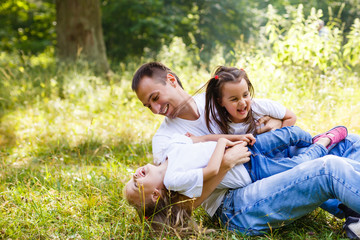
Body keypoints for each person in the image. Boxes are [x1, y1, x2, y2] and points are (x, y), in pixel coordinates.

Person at [131, 62, 360, 237]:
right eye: (148, 105)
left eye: (155, 98)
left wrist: (276, 124)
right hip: (235, 204)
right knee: (327, 168)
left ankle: (355, 216)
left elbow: (261, 117)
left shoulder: (216, 98)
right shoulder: (164, 140)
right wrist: (224, 164)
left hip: (264, 163)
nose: (155, 109)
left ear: (171, 80)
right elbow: (181, 207)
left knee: (349, 142)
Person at [125, 125, 346, 218]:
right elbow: (212, 170)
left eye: (131, 177)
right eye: (136, 184)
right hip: (249, 170)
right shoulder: (173, 180)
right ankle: (323, 144)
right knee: (298, 167)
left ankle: (312, 141)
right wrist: (223, 143)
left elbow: (199, 139)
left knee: (290, 133)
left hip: (244, 147)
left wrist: (233, 138)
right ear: (155, 194)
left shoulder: (168, 150)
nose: (135, 175)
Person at [204, 66, 296, 135]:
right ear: (220, 102)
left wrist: (279, 138)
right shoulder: (219, 125)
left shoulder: (260, 106)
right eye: (234, 99)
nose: (242, 102)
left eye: (245, 95)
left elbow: (291, 117)